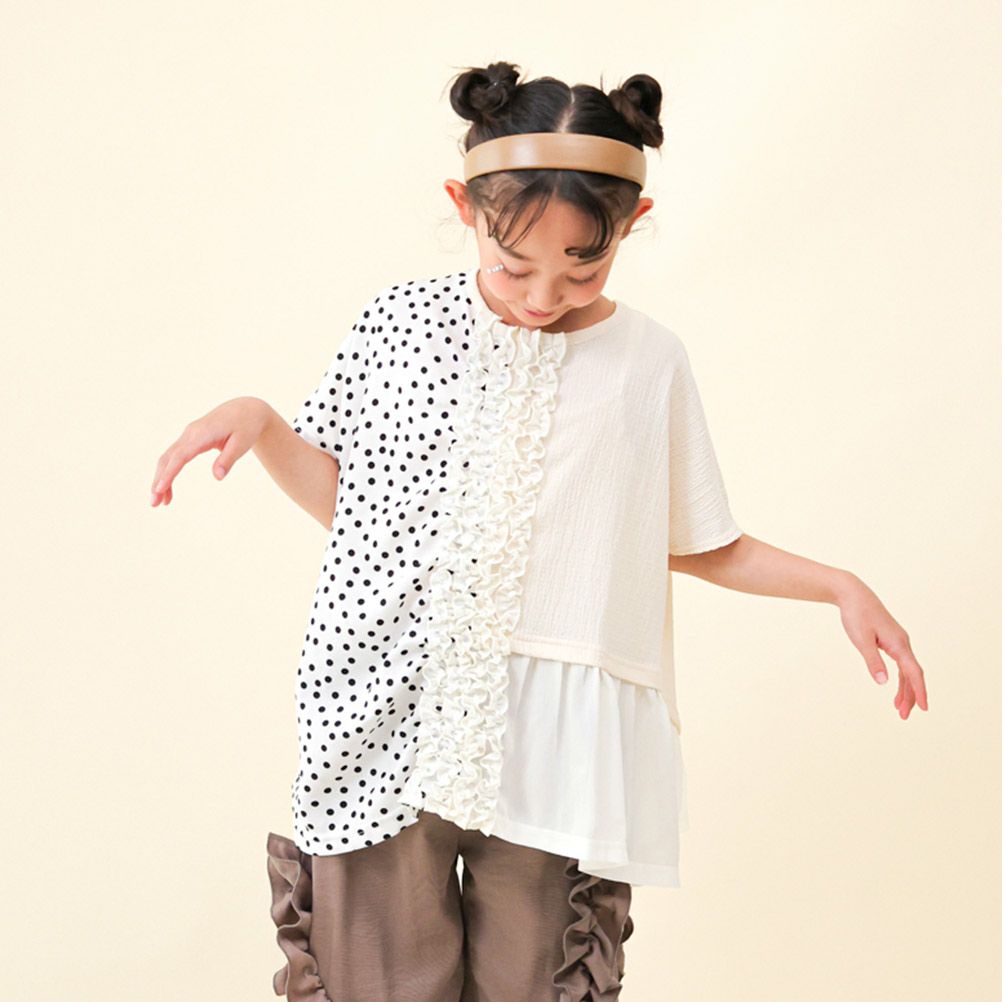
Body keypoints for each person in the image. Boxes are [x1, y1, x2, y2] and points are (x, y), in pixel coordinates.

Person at [150, 61, 929, 1002]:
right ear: (466, 208)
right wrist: (265, 425)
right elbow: (359, 515)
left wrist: (840, 586)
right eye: (514, 265)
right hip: (387, 717)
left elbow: (696, 539)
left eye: (582, 268)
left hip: (559, 753)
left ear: (630, 227)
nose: (541, 294)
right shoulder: (399, 326)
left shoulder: (648, 364)